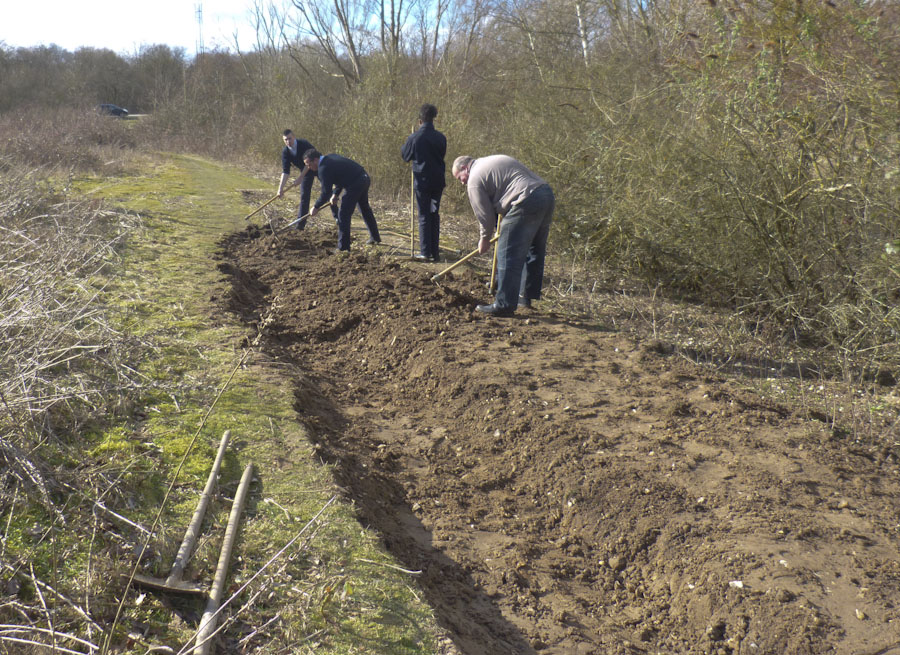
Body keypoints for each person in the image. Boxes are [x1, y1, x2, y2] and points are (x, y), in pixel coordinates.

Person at [451, 154, 555, 316]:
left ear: (465, 168)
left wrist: (484, 239)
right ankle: (524, 298)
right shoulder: (490, 161)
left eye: (460, 178)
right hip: (545, 195)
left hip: (524, 201)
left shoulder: (474, 180)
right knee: (534, 248)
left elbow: (485, 216)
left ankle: (504, 305)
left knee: (507, 253)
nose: (462, 182)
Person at [304, 149, 381, 252]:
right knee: (364, 208)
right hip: (364, 177)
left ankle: (343, 248)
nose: (309, 167)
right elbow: (340, 176)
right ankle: (375, 237)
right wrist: (335, 194)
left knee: (343, 214)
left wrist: (316, 207)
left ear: (316, 159)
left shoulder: (323, 168)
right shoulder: (330, 157)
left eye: (309, 164)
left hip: (356, 183)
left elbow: (325, 192)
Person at [401, 103, 447, 262]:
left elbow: (405, 156)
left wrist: (408, 143)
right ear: (433, 120)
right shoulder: (441, 137)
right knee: (434, 214)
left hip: (423, 183)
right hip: (438, 181)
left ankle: (426, 252)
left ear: (420, 121)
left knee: (424, 215)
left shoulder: (414, 137)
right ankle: (435, 252)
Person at [276, 129, 336, 229]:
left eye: (289, 139)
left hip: (317, 167)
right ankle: (300, 225)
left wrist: (300, 177)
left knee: (328, 192)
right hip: (306, 173)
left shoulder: (303, 144)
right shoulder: (285, 152)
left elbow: (312, 160)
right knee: (304, 196)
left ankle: (337, 217)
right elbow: (286, 171)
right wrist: (280, 189)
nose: (288, 142)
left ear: (294, 137)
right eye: (285, 140)